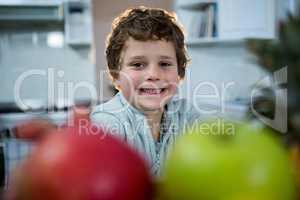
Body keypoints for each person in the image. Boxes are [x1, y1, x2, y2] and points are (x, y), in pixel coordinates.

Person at [91, 6, 201, 176]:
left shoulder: (186, 114)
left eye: (164, 64)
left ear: (179, 72)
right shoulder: (107, 122)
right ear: (116, 75)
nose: (154, 75)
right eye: (137, 65)